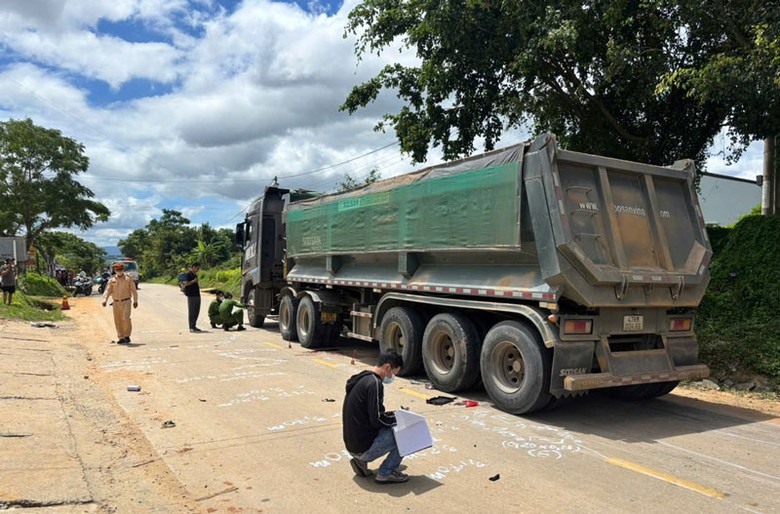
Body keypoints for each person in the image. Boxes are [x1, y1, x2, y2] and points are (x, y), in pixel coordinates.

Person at [342, 349, 408, 484]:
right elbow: (377, 419)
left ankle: (361, 462)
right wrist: (401, 419)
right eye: (394, 373)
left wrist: (393, 415)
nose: (392, 378)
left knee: (393, 424)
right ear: (387, 367)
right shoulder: (375, 384)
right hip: (363, 448)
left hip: (353, 444)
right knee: (407, 433)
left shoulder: (363, 377)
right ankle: (385, 473)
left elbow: (373, 414)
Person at [101, 261, 138, 344]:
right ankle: (121, 337)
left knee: (126, 318)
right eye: (117, 269)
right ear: (115, 270)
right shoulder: (112, 280)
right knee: (118, 320)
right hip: (116, 302)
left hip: (126, 301)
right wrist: (104, 300)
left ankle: (127, 335)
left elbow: (134, 290)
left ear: (123, 269)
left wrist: (135, 301)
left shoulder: (128, 278)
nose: (119, 271)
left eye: (121, 269)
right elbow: (108, 290)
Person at [182, 262, 202, 333]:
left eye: (198, 268)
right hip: (191, 296)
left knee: (196, 311)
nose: (198, 270)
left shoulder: (195, 275)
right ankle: (191, 326)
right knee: (192, 312)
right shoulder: (188, 274)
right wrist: (193, 281)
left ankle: (194, 325)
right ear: (193, 267)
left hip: (197, 295)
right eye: (197, 268)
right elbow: (186, 283)